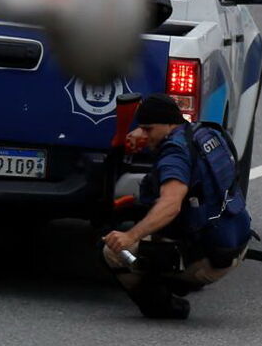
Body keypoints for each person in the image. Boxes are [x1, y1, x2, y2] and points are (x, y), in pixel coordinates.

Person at [102, 94, 252, 319]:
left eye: (148, 129)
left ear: (169, 124)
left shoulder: (174, 155)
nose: (144, 135)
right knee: (146, 207)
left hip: (211, 258)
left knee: (112, 252)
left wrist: (130, 236)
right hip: (233, 239)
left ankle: (166, 305)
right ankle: (181, 274)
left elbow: (171, 206)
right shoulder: (205, 134)